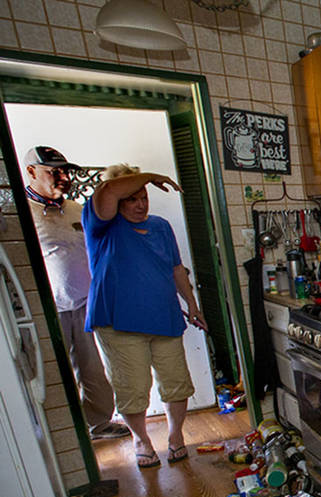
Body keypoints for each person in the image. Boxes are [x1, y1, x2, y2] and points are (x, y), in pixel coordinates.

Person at [82, 164, 208, 468]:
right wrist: (152, 175)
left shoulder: (161, 226)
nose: (140, 204)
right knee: (132, 388)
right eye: (131, 199)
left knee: (177, 382)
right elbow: (109, 191)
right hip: (118, 322)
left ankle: (176, 436)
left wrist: (192, 303)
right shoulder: (101, 225)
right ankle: (141, 440)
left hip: (163, 316)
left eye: (143, 197)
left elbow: (176, 269)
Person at [23, 146, 130, 441]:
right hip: (48, 309)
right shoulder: (21, 213)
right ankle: (64, 434)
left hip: (86, 303)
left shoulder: (76, 209)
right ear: (31, 172)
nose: (63, 177)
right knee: (55, 373)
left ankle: (99, 424)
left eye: (65, 170)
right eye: (53, 171)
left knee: (93, 368)